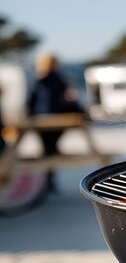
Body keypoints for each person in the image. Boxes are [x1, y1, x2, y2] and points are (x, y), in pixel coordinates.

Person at [27, 53, 84, 191]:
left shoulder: (39, 79)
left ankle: (47, 183)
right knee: (50, 150)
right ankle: (48, 182)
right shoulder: (56, 79)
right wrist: (78, 109)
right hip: (54, 119)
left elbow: (31, 101)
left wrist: (30, 116)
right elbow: (64, 100)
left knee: (48, 150)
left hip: (40, 120)